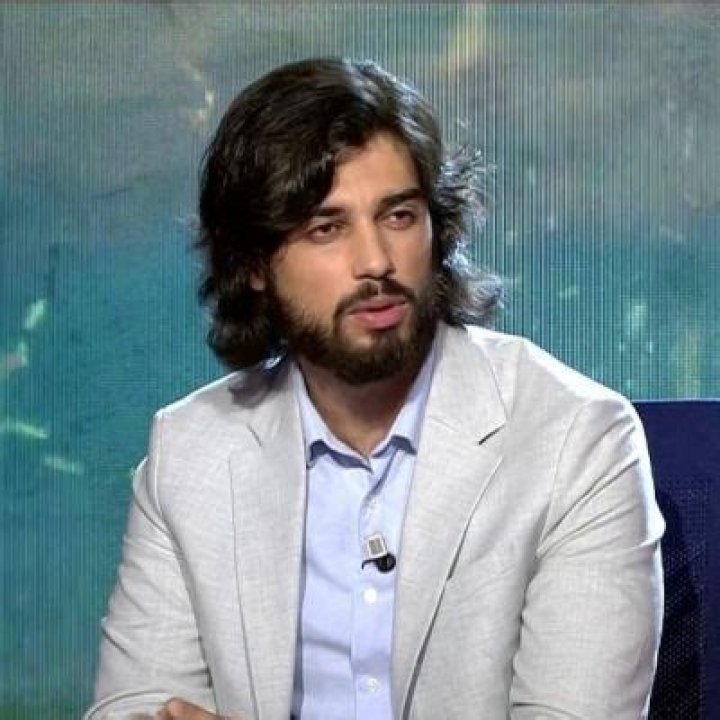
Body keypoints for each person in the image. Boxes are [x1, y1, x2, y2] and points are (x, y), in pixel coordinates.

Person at [85, 58, 664, 720]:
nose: (376, 262)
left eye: (399, 216)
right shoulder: (190, 453)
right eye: (326, 228)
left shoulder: (577, 440)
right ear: (252, 265)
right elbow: (135, 706)